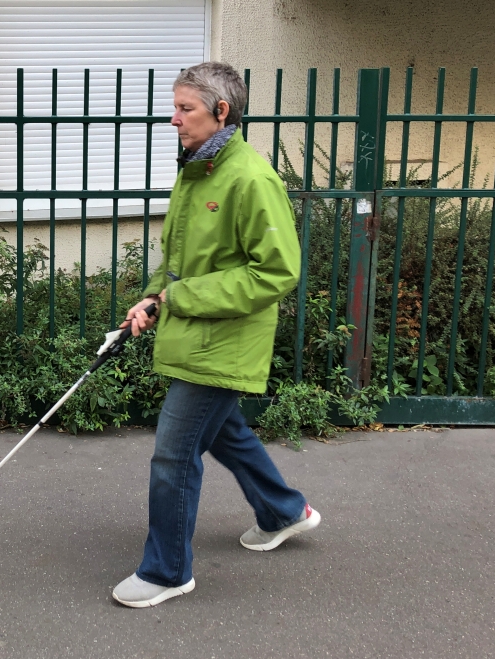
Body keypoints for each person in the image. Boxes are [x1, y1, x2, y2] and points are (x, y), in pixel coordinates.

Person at [111, 62, 320, 609]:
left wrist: (179, 299)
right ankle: (283, 511)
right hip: (194, 334)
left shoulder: (250, 178)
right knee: (227, 433)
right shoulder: (198, 169)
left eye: (186, 109)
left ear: (221, 112)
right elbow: (180, 260)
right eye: (175, 107)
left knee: (173, 456)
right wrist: (155, 297)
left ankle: (167, 570)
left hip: (225, 342)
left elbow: (276, 272)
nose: (173, 119)